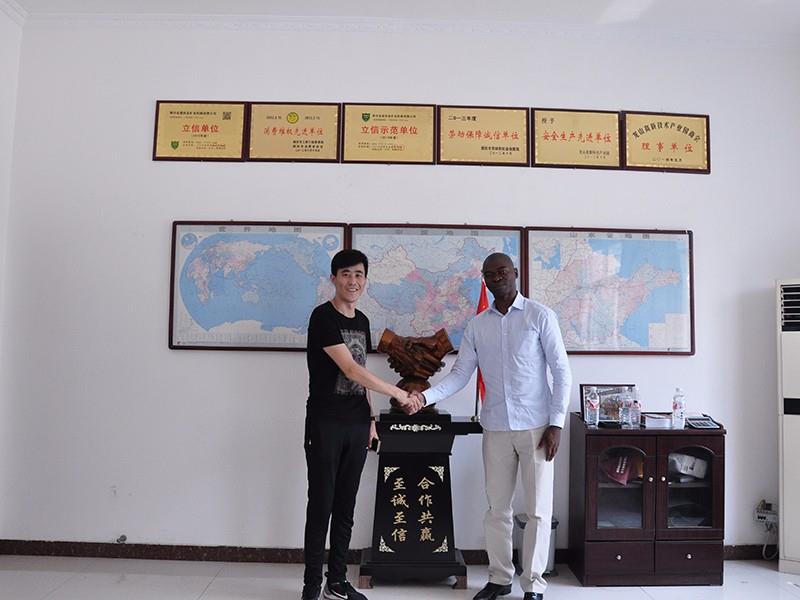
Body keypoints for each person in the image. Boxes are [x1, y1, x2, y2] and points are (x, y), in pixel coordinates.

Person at [414, 252, 571, 600]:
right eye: (490, 273)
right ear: (484, 279)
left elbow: (561, 371)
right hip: (496, 428)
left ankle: (534, 585)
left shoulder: (540, 316)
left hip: (537, 428)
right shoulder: (477, 326)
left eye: (502, 271)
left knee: (538, 511)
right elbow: (460, 375)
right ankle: (500, 578)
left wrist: (556, 424)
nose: (497, 277)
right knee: (497, 509)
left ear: (515, 273)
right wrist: (423, 398)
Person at [302, 249, 422, 600]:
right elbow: (350, 369)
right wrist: (398, 394)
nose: (352, 281)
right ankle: (311, 586)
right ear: (334, 279)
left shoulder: (362, 320)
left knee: (345, 507)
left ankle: (337, 582)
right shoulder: (322, 317)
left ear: (365, 280)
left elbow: (362, 375)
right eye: (345, 274)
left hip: (356, 424)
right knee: (321, 505)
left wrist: (370, 420)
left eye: (358, 274)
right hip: (325, 423)